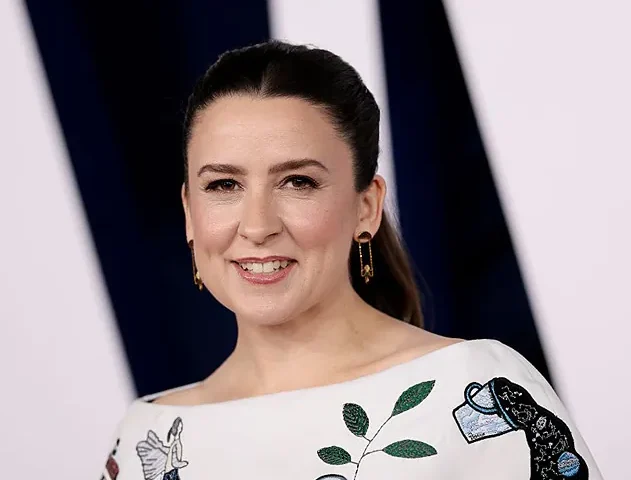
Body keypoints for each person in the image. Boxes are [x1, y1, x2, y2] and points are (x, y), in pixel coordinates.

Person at [105, 40, 603, 480]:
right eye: (223, 185)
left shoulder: (473, 388)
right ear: (190, 213)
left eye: (298, 182)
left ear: (366, 206)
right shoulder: (144, 439)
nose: (257, 225)